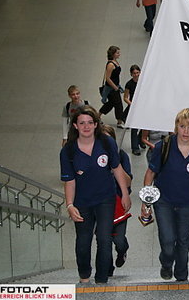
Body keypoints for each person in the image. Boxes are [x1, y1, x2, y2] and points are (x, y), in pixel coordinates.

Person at [60, 106, 131, 284]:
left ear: (96, 124)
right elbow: (69, 181)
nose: (86, 126)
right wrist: (70, 205)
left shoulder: (106, 143)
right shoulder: (68, 151)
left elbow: (116, 168)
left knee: (104, 239)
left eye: (90, 123)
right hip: (82, 203)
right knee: (83, 242)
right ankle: (84, 276)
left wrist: (124, 194)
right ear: (75, 125)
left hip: (105, 200)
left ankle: (101, 281)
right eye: (82, 123)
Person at [141, 108, 189, 282]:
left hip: (188, 201)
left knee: (183, 239)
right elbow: (150, 174)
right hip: (163, 200)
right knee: (167, 240)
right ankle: (166, 262)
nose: (186, 131)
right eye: (182, 126)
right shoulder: (163, 146)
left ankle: (181, 273)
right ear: (176, 127)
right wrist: (145, 202)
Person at [102, 125, 132, 277]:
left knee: (119, 240)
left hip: (119, 204)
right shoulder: (93, 155)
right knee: (103, 240)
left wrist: (116, 167)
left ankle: (122, 251)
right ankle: (107, 270)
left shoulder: (121, 156)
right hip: (100, 205)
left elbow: (128, 182)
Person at [99, 46, 125, 128]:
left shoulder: (115, 62)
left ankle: (97, 116)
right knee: (118, 104)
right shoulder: (111, 64)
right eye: (117, 53)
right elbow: (108, 78)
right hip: (111, 89)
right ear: (113, 54)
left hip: (115, 86)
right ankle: (119, 121)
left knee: (110, 104)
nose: (119, 54)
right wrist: (115, 87)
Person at [123, 65, 144, 156]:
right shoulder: (129, 84)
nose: (136, 75)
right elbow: (125, 97)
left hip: (142, 106)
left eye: (137, 73)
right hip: (134, 107)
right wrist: (132, 105)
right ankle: (135, 147)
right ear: (131, 74)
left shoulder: (143, 82)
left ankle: (141, 140)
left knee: (144, 125)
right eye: (134, 73)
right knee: (134, 128)